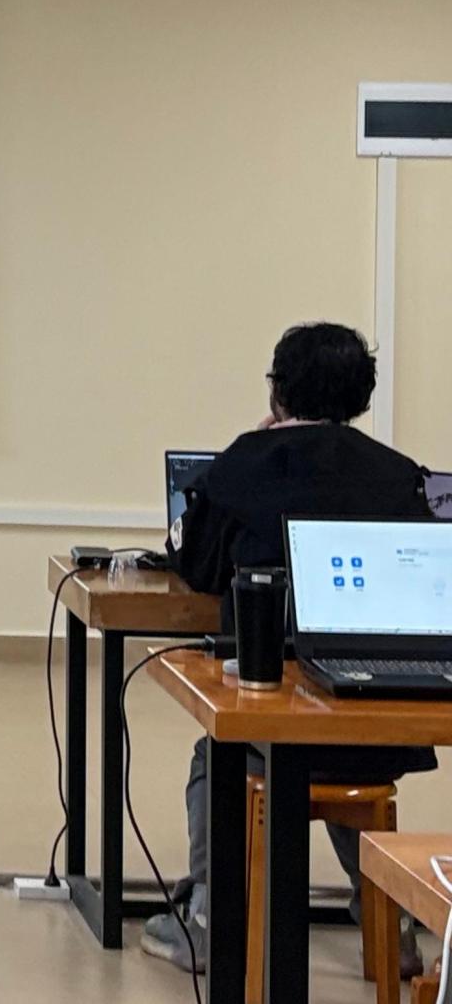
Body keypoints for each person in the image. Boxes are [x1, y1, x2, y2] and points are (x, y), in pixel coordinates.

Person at [144, 323, 435, 976]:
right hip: (381, 714)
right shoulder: (397, 473)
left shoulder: (246, 463)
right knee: (352, 759)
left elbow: (195, 561)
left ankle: (210, 922)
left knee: (217, 755)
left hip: (272, 711)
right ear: (362, 395)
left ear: (278, 391)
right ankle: (391, 926)